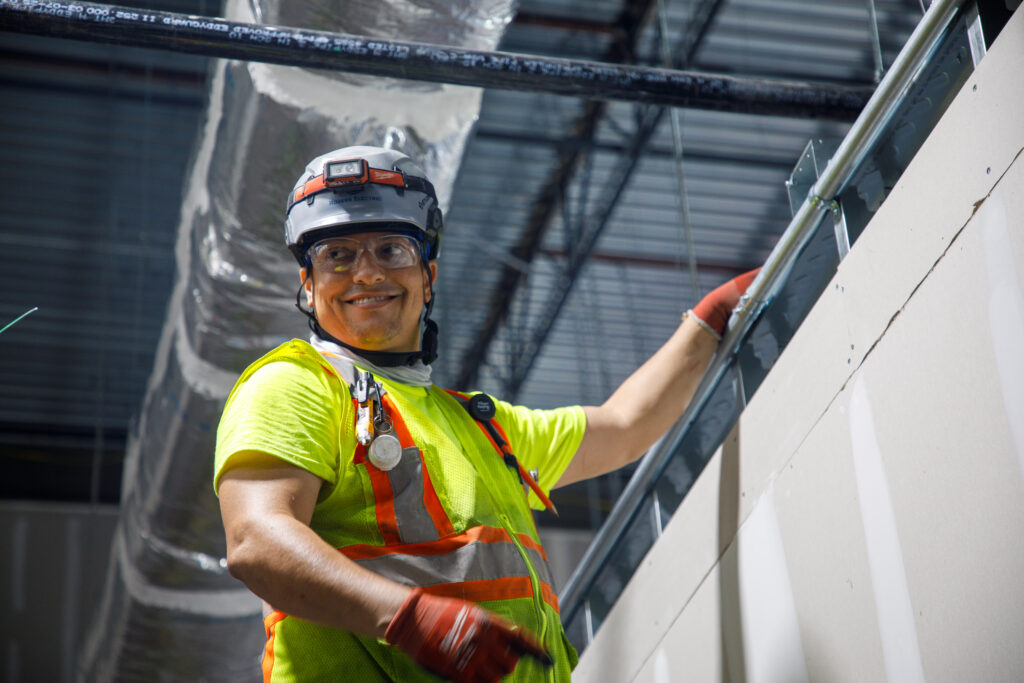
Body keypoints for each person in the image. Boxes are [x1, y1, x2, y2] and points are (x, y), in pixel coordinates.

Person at [214, 145, 758, 682]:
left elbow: (624, 427)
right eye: (338, 255)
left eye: (390, 250)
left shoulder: (480, 425)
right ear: (308, 287)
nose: (365, 274)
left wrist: (714, 313)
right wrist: (407, 618)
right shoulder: (298, 384)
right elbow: (255, 540)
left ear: (427, 276)